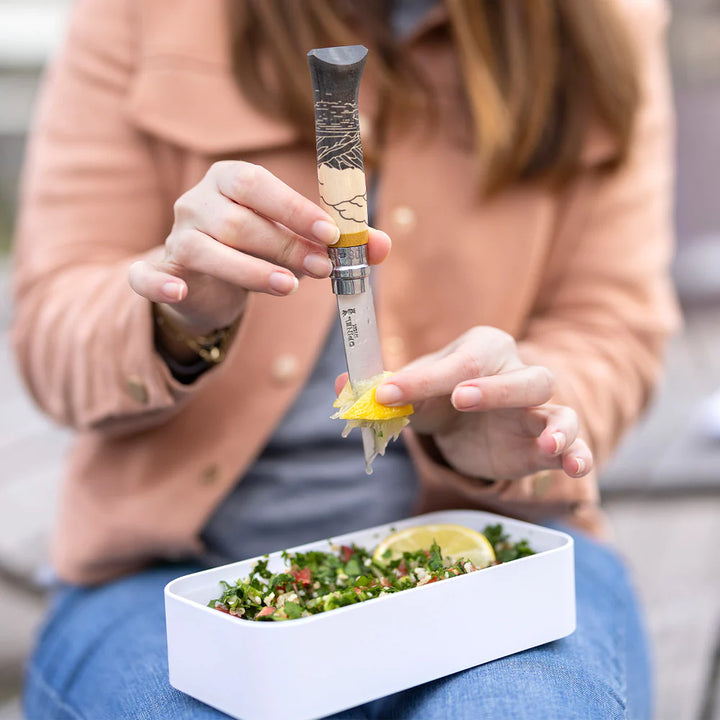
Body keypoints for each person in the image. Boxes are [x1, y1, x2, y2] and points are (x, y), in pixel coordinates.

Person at [12, 0, 677, 718]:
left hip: (489, 561)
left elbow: (611, 327)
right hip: (173, 582)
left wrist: (512, 419)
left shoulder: (604, 21)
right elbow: (50, 329)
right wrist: (174, 317)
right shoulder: (139, 14)